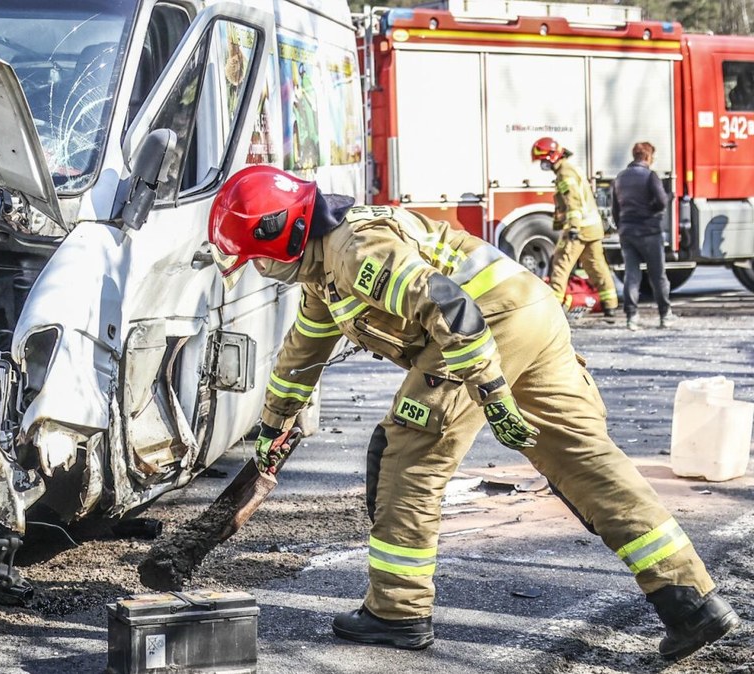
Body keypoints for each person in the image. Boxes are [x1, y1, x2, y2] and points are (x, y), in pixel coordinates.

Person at [208, 165, 738, 661]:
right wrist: (274, 427)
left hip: (484, 326)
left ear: (283, 233)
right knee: (583, 459)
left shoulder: (355, 250)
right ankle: (691, 602)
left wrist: (491, 392)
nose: (262, 270)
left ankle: (396, 611)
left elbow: (452, 309)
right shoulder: (325, 270)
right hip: (530, 312)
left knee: (408, 454)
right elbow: (301, 354)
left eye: (259, 257)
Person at [532, 137, 619, 319]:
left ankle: (553, 309)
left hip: (579, 229)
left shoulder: (565, 173)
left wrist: (573, 228)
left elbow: (573, 202)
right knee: (596, 266)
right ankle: (610, 305)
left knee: (560, 265)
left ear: (553, 157)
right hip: (593, 228)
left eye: (544, 160)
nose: (543, 164)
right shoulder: (571, 168)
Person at [612, 142, 676, 330]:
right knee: (658, 276)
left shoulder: (620, 178)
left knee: (632, 275)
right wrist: (661, 205)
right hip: (649, 232)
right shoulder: (650, 176)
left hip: (627, 232)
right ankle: (665, 315)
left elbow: (616, 209)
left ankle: (632, 317)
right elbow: (662, 202)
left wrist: (621, 225)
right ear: (648, 157)